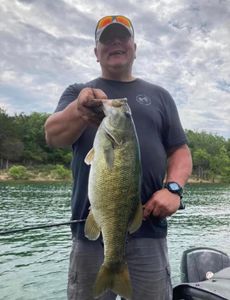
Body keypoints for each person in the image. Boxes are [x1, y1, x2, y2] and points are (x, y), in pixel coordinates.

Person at [45, 15, 192, 300]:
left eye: (122, 38)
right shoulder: (77, 93)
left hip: (149, 228)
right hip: (89, 231)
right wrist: (79, 109)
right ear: (96, 52)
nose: (115, 43)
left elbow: (180, 150)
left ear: (134, 48)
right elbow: (53, 136)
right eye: (106, 40)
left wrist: (173, 189)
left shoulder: (159, 96)